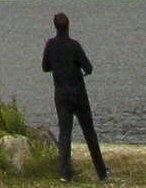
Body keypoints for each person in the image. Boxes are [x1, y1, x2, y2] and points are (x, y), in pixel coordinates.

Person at [38, 12, 103, 182]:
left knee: (65, 134)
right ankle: (101, 172)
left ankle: (65, 174)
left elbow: (45, 67)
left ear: (55, 26)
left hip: (61, 95)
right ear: (68, 26)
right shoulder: (74, 45)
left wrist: (58, 66)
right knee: (89, 132)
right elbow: (88, 68)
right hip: (79, 94)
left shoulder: (50, 45)